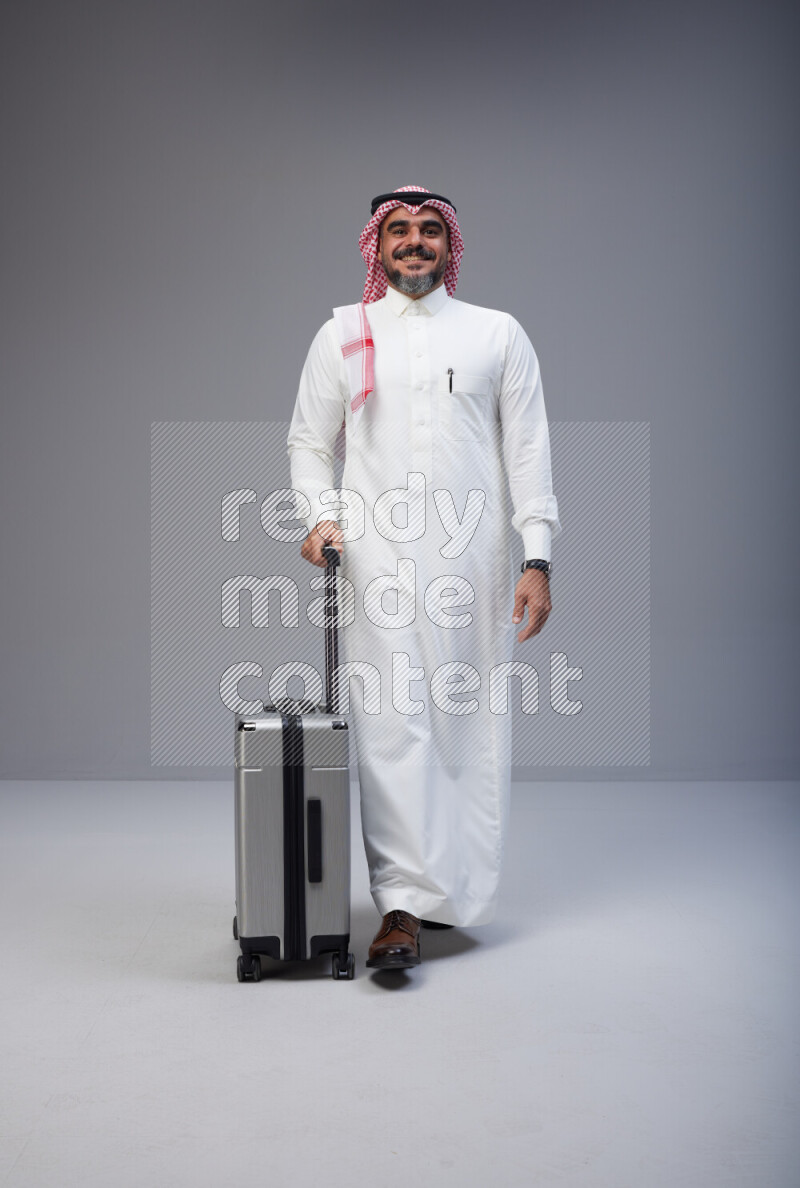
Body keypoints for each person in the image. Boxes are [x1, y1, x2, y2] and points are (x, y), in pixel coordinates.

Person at [287, 185, 560, 971]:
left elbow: (529, 451)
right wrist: (319, 516)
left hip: (472, 561)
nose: (414, 242)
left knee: (464, 722)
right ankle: (401, 906)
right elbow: (309, 441)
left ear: (450, 244)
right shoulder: (344, 331)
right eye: (399, 230)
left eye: (429, 230)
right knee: (390, 725)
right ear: (376, 244)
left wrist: (536, 557)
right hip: (374, 558)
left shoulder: (496, 335)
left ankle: (456, 894)